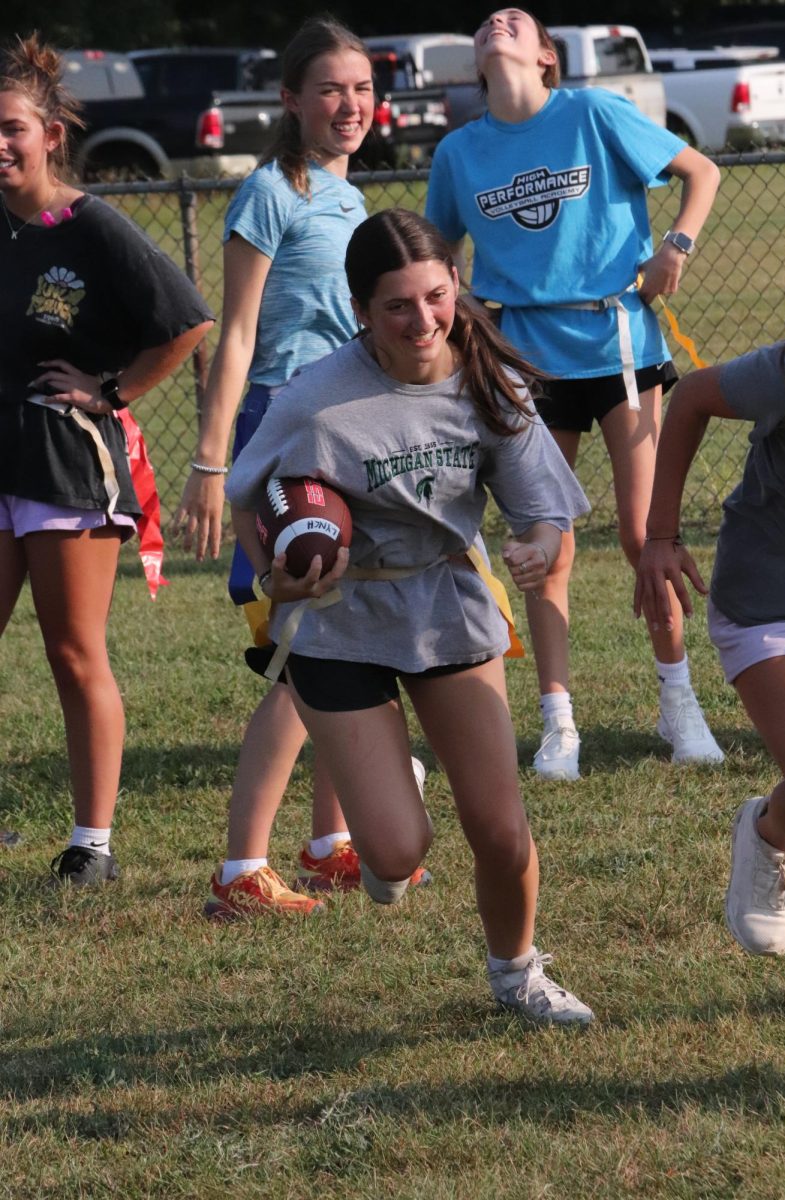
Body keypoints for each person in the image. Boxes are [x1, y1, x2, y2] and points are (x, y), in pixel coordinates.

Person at [225, 207, 595, 1025]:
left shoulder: (488, 383)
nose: (423, 320)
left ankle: (518, 975)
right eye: (398, 306)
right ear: (361, 310)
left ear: (455, 286)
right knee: (393, 857)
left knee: (501, 828)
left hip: (444, 599)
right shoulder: (316, 401)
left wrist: (536, 548)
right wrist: (276, 577)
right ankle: (386, 795)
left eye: (436, 296)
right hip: (338, 615)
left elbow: (544, 517)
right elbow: (248, 497)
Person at [424, 8, 723, 781]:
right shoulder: (460, 152)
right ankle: (559, 724)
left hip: (618, 347)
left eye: (516, 21)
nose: (499, 22)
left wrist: (675, 247)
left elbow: (702, 172)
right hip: (525, 362)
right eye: (489, 20)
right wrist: (466, 312)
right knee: (543, 546)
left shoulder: (591, 112)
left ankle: (677, 699)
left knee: (640, 536)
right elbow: (434, 256)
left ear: (546, 58)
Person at [172, 17, 427, 917]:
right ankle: (242, 872)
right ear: (289, 100)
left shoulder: (352, 202)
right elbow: (236, 334)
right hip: (283, 435)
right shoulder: (270, 193)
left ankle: (332, 843)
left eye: (361, 88)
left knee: (343, 636)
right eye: (329, 88)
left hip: (345, 434)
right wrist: (213, 463)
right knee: (298, 648)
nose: (349, 104)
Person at [0, 34, 213, 884]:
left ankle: (93, 845)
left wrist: (112, 390)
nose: (0, 144)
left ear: (50, 134)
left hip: (61, 459)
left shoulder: (91, 226)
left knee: (72, 651)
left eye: (11, 127)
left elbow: (188, 320)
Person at [635, 339, 785, 959]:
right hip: (770, 600)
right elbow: (693, 396)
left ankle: (775, 828)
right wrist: (660, 536)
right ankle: (769, 835)